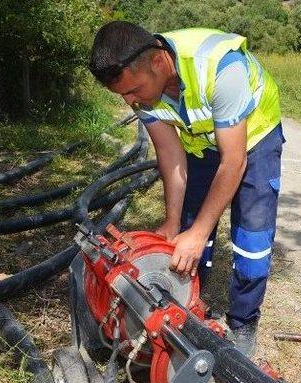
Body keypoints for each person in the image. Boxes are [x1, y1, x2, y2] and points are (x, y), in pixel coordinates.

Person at [88, 21, 284, 357]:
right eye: (123, 96)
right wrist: (174, 221)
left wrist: (200, 230)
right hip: (202, 141)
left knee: (252, 243)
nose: (131, 101)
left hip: (254, 140)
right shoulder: (145, 93)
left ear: (159, 63)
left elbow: (234, 161)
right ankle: (193, 307)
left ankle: (243, 324)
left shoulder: (222, 68)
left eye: (134, 90)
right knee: (188, 235)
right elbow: (169, 152)